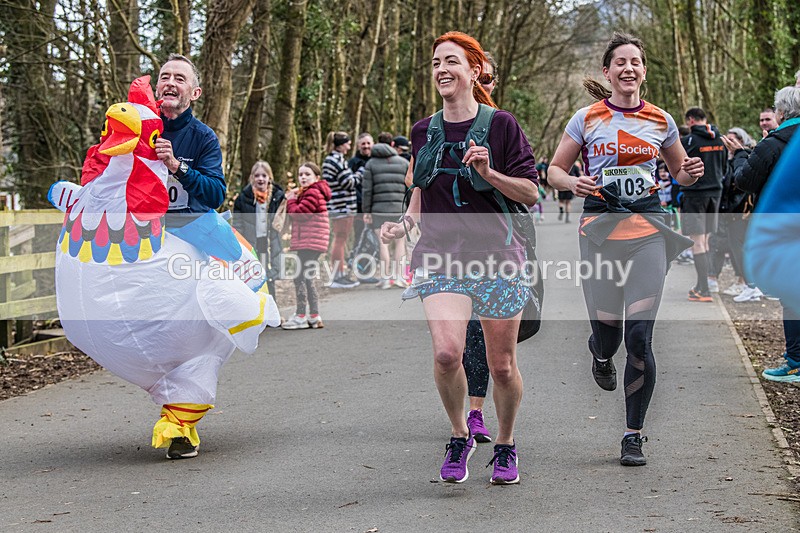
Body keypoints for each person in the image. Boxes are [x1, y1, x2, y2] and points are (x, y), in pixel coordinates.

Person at [381, 31, 539, 485]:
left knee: (501, 365)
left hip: (497, 256)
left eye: (451, 61)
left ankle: (506, 443)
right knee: (448, 353)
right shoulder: (423, 130)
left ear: (474, 70)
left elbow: (530, 192)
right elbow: (420, 190)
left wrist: (490, 173)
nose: (441, 70)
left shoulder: (502, 125)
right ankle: (459, 434)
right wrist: (404, 224)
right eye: (435, 63)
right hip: (439, 256)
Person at [547, 32, 703, 466]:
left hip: (649, 231)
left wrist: (690, 172)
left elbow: (680, 174)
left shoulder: (661, 121)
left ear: (644, 71)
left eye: (636, 61)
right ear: (608, 71)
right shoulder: (587, 117)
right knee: (610, 334)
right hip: (599, 232)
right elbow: (555, 171)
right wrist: (572, 181)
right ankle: (599, 352)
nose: (628, 68)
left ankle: (633, 434)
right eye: (620, 62)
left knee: (639, 336)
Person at [722, 85, 800, 382]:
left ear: (781, 113)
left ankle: (795, 360)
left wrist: (740, 155)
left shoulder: (774, 143)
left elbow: (744, 181)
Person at [154, 54, 225, 228]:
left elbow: (216, 194)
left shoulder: (205, 137)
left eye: (179, 79)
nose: (170, 82)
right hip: (144, 232)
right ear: (157, 88)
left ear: (195, 93)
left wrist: (177, 167)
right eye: (165, 77)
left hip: (189, 234)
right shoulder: (136, 129)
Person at [680, 107, 726, 302]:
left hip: (695, 194)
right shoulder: (720, 139)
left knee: (697, 242)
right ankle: (701, 285)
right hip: (715, 193)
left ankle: (704, 290)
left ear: (690, 120)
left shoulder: (689, 141)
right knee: (705, 240)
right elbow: (725, 166)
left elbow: (680, 166)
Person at [282, 163, 332, 330]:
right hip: (311, 242)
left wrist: (290, 201)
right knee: (306, 277)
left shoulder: (312, 193)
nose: (303, 177)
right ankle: (314, 315)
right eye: (300, 174)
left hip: (311, 242)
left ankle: (301, 315)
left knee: (300, 277)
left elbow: (299, 214)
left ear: (316, 178)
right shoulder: (310, 192)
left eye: (307, 174)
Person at [233, 161, 286, 303]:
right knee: (252, 277)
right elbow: (238, 223)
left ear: (270, 178)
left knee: (269, 277)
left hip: (268, 243)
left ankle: (272, 312)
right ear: (252, 178)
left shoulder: (277, 197)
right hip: (250, 243)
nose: (260, 179)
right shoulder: (244, 198)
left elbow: (283, 220)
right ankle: (255, 313)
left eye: (264, 175)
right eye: (257, 175)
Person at [362, 132, 409, 289]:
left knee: (383, 244)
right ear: (392, 145)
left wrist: (366, 211)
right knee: (400, 243)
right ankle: (400, 278)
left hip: (378, 210)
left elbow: (367, 191)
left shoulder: (370, 164)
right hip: (399, 209)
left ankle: (384, 280)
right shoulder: (403, 163)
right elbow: (409, 188)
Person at [718, 128, 756, 297]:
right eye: (727, 140)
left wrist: (731, 209)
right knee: (735, 247)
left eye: (732, 140)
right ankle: (746, 283)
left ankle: (751, 285)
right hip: (730, 212)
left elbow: (740, 188)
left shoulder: (746, 158)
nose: (729, 143)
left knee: (741, 247)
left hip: (742, 212)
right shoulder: (728, 160)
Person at [323, 131, 363, 288]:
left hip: (340, 206)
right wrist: (360, 173)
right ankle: (337, 277)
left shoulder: (333, 159)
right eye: (347, 142)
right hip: (342, 207)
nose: (350, 145)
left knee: (340, 240)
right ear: (341, 144)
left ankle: (339, 273)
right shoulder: (335, 160)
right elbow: (349, 183)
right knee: (340, 240)